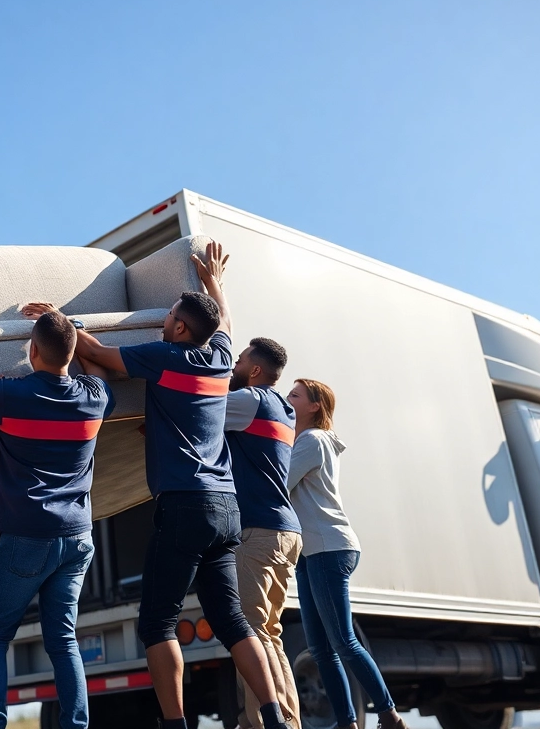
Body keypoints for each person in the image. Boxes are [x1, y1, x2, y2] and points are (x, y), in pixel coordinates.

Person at [25, 242, 293, 729]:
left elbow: (94, 352)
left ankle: (175, 724)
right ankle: (273, 716)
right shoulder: (218, 353)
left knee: (157, 623)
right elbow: (225, 321)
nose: (164, 319)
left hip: (185, 505)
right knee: (232, 620)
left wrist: (58, 320)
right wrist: (215, 282)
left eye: (170, 315)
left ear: (181, 329)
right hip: (227, 506)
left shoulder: (165, 357)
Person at [0, 310, 116, 729]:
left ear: (31, 350)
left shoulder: (10, 396)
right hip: (77, 538)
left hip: (26, 538)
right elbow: (100, 374)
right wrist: (75, 331)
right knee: (63, 639)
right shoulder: (94, 397)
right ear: (71, 353)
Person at [286, 379, 407, 729]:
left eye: (294, 396)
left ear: (314, 407)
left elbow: (280, 481)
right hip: (312, 552)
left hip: (329, 547)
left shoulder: (312, 440)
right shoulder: (305, 441)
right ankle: (347, 723)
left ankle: (389, 716)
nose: (286, 399)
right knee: (320, 649)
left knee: (343, 641)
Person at [225, 338, 301, 729]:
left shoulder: (249, 400)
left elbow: (198, 409)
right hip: (283, 532)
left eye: (238, 360)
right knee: (269, 633)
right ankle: (286, 721)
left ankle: (262, 724)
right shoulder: (281, 407)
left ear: (255, 371)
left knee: (252, 635)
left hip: (258, 532)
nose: (232, 364)